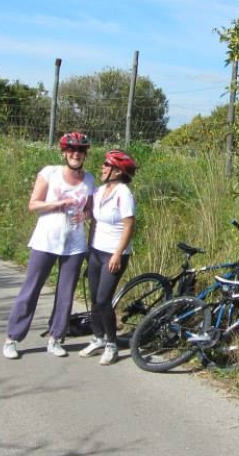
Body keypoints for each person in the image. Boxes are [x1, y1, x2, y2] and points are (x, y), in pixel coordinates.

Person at [3, 132, 96, 359]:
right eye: (72, 150)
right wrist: (58, 204)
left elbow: (91, 210)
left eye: (81, 150)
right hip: (46, 240)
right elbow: (33, 205)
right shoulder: (50, 173)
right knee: (31, 289)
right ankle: (12, 338)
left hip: (74, 244)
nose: (76, 154)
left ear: (85, 155)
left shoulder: (90, 179)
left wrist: (85, 215)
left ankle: (56, 338)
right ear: (64, 152)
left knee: (66, 293)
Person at [79, 149, 137, 365]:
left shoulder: (123, 193)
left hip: (114, 254)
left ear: (117, 171)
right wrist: (88, 247)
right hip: (95, 250)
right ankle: (98, 337)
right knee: (94, 298)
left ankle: (111, 344)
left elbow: (129, 225)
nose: (102, 167)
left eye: (107, 164)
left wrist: (117, 254)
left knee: (104, 300)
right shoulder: (100, 190)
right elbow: (94, 220)